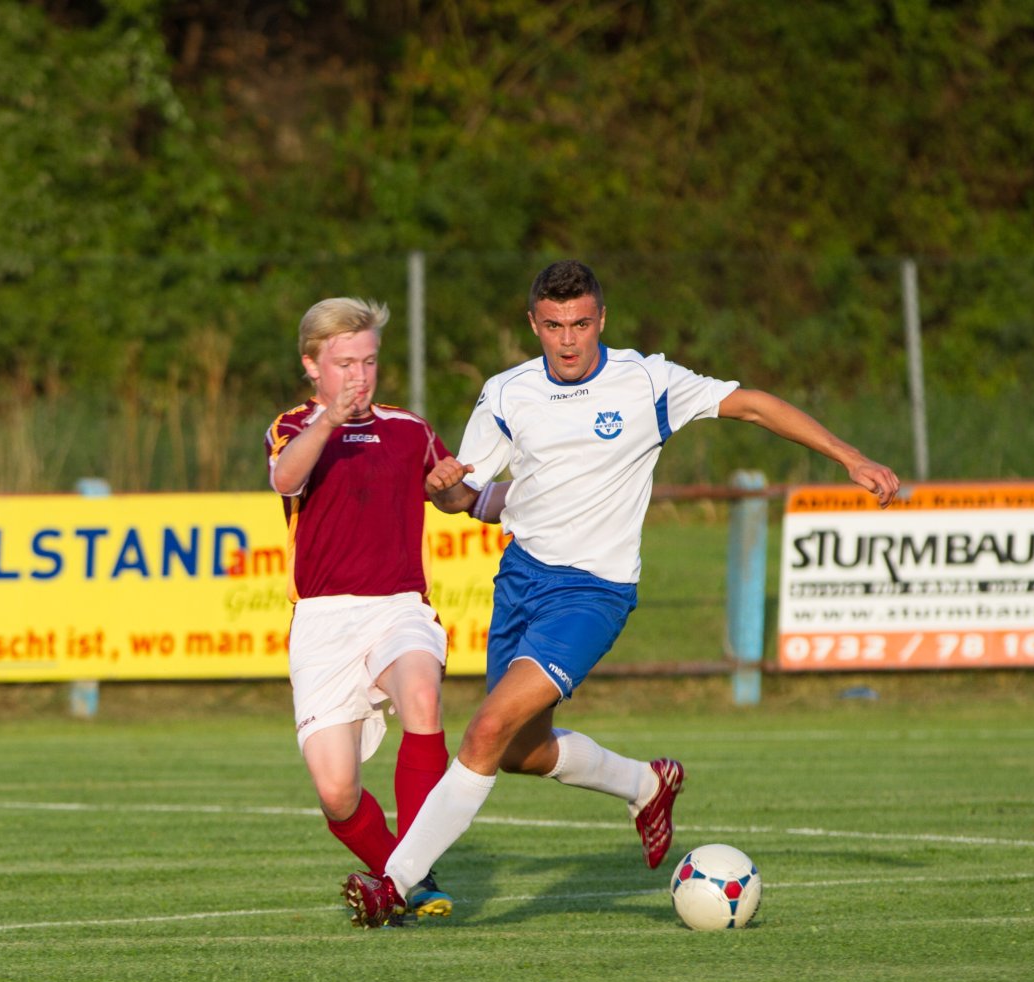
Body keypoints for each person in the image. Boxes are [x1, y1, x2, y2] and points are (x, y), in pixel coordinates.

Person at [344, 259, 902, 927]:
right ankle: (646, 783)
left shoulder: (646, 381)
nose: (569, 340)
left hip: (592, 593)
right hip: (520, 580)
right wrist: (445, 488)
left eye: (581, 324)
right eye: (554, 326)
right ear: (533, 325)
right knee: (518, 750)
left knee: (486, 728)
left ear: (602, 319)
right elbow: (471, 497)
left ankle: (395, 882)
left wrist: (850, 457)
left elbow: (751, 403)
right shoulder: (507, 393)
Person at [265, 296, 485, 922]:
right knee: (337, 793)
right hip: (323, 622)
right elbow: (285, 479)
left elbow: (456, 497)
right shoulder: (293, 427)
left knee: (422, 695)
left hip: (398, 606)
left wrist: (450, 487)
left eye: (368, 362)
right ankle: (407, 879)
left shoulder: (408, 428)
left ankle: (413, 865)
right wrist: (329, 421)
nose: (359, 377)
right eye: (344, 364)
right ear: (312, 366)